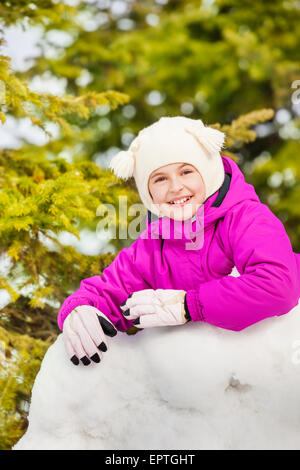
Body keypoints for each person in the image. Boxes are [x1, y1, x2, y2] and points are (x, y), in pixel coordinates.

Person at [58, 116, 300, 366]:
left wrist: (189, 305)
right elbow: (106, 291)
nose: (175, 187)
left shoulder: (246, 219)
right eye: (160, 179)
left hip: (280, 362)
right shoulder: (153, 247)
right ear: (148, 191)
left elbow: (279, 286)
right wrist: (78, 310)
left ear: (207, 172)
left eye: (186, 171)